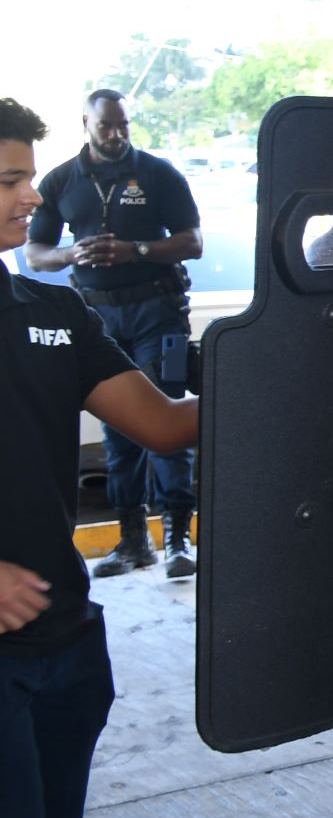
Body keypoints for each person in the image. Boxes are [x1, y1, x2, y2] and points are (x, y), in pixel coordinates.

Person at [1, 97, 200, 818]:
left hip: (66, 642)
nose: (31, 198)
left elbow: (164, 426)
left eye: (27, 175)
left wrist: (297, 358)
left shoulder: (47, 309)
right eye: (7, 182)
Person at [23, 90, 203, 580]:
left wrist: (136, 250)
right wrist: (71, 255)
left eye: (123, 124)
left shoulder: (157, 172)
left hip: (156, 312)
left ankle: (177, 540)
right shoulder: (62, 179)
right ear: (86, 123)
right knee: (118, 430)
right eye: (107, 126)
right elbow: (36, 252)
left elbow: (193, 241)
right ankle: (132, 542)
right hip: (97, 318)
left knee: (165, 421)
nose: (118, 134)